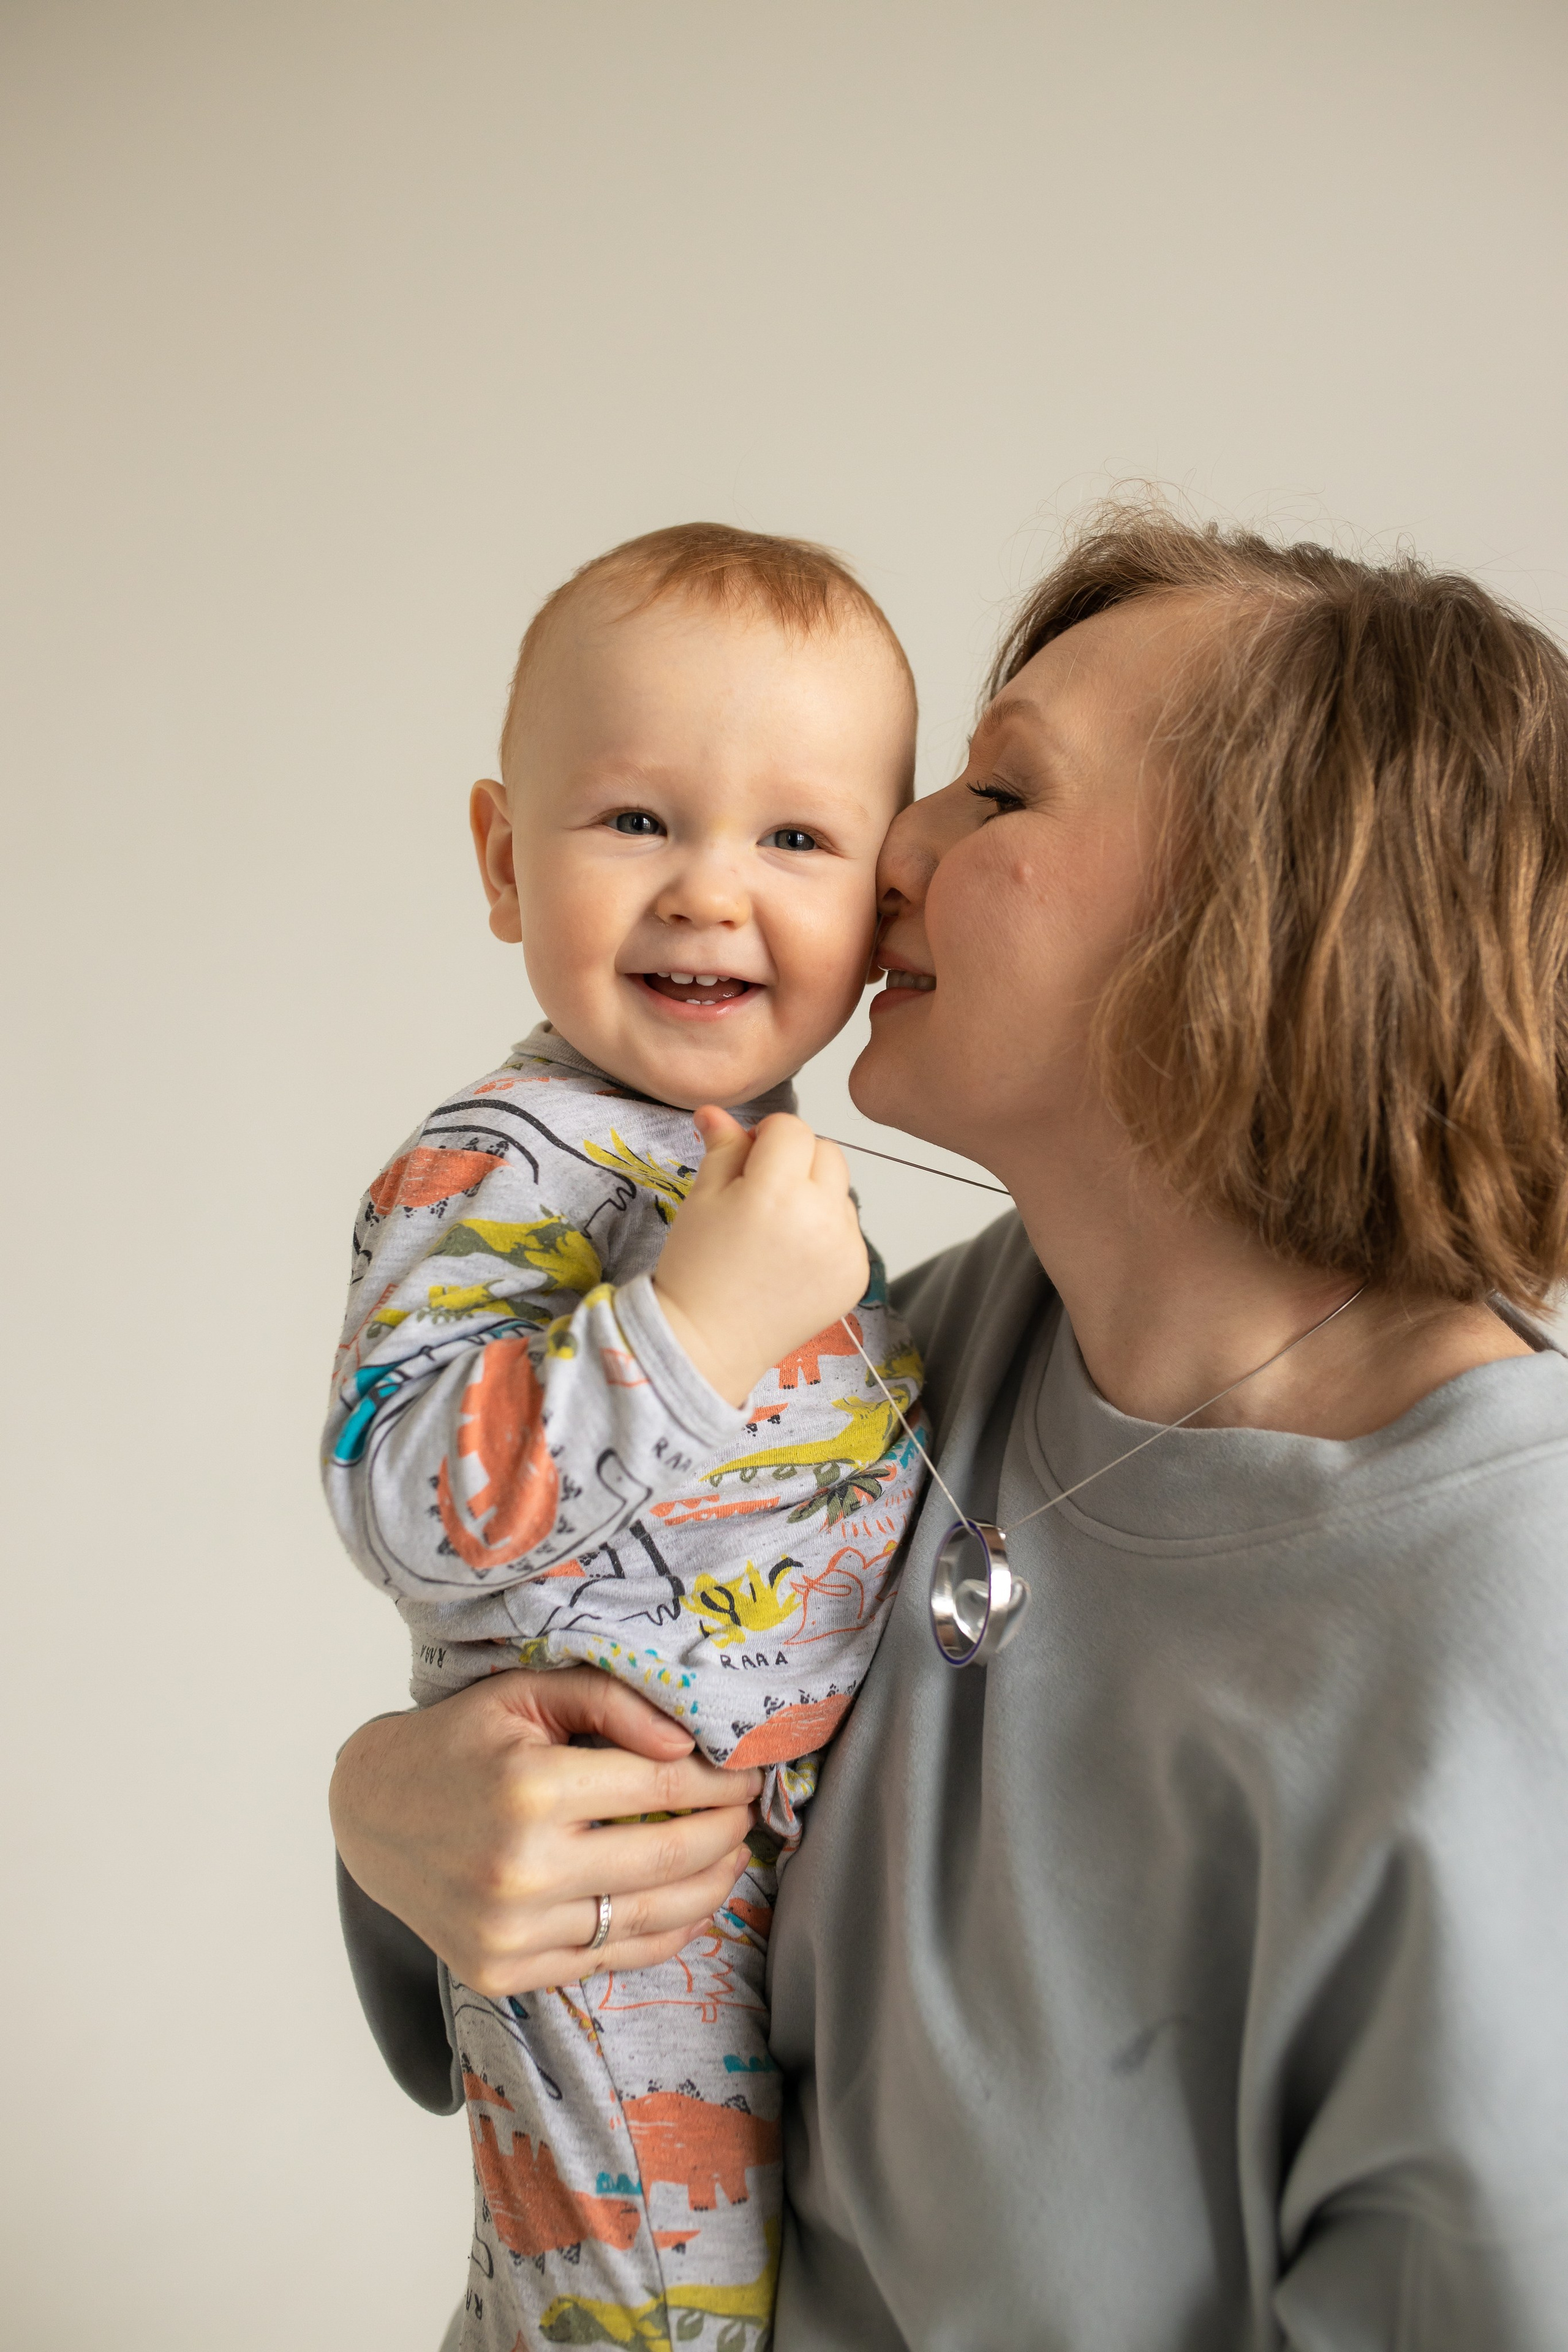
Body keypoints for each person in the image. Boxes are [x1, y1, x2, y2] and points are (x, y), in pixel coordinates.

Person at [331, 503, 1568, 2348]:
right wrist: (390, 1810)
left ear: (1275, 911)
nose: (890, 838)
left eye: (1001, 793)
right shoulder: (937, 1341)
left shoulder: (1508, 1617)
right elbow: (632, 1662)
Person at [323, 524, 925, 2349]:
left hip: (796, 1869)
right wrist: (692, 1326)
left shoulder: (776, 1179)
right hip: (615, 1896)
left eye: (798, 839)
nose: (711, 895)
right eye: (640, 821)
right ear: (508, 860)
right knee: (648, 2316)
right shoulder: (499, 1161)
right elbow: (407, 1503)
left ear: (886, 902)